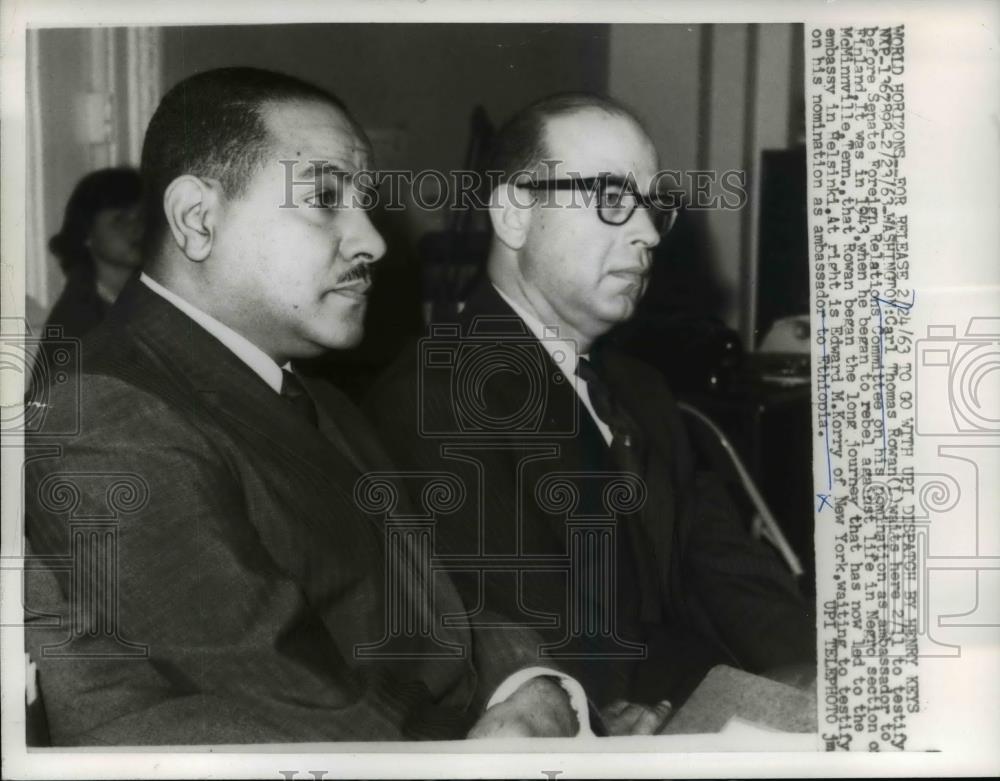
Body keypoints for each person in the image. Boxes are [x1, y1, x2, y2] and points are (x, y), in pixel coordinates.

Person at [23, 68, 583, 745]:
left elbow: (440, 594)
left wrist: (529, 682)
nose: (373, 240)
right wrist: (485, 743)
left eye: (364, 201)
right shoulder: (109, 416)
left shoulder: (317, 396)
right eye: (324, 196)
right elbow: (300, 705)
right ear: (197, 219)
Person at [365, 94, 816, 730]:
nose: (647, 233)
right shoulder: (433, 396)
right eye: (611, 198)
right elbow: (557, 643)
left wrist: (821, 669)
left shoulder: (643, 391)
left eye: (654, 208)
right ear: (516, 214)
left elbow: (730, 576)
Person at [44, 167, 144, 338]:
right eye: (119, 219)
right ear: (86, 233)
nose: (137, 229)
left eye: (142, 217)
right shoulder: (74, 318)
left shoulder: (162, 296)